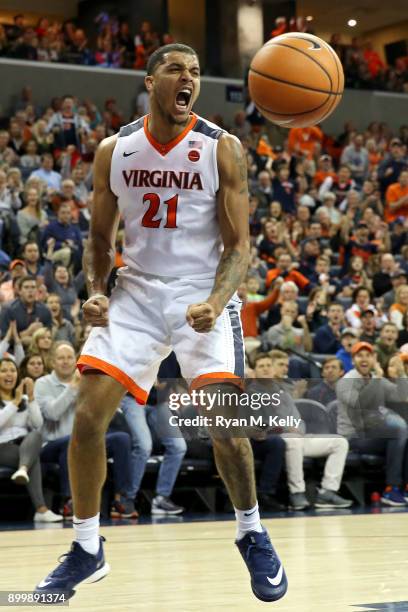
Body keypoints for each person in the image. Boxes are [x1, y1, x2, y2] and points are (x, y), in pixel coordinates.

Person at [36, 44, 288, 603]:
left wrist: (219, 298)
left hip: (203, 295)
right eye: (177, 69)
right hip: (137, 293)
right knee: (86, 416)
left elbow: (241, 246)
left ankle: (252, 530)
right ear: (150, 81)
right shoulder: (115, 150)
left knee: (226, 426)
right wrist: (96, 292)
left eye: (196, 71)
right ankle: (85, 548)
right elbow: (100, 240)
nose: (189, 79)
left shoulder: (222, 148)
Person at [268, 350, 352, 510]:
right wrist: (288, 427)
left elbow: (297, 415)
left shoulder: (288, 387)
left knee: (339, 442)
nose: (285, 369)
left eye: (286, 365)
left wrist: (299, 426)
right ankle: (297, 493)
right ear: (270, 367)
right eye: (280, 365)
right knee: (294, 441)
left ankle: (327, 492)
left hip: (299, 435)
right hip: (279, 437)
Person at [336, 342, 408, 506]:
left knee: (403, 433)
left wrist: (402, 372)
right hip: (352, 437)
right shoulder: (346, 381)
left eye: (368, 355)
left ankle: (405, 487)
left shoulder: (376, 379)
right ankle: (391, 489)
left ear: (374, 359)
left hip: (373, 433)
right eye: (359, 355)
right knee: (397, 431)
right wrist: (377, 380)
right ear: (353, 360)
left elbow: (402, 395)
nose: (364, 359)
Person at [0, 357, 62, 522]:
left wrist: (32, 398)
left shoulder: (25, 400)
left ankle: (22, 469)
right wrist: (15, 402)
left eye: (12, 370)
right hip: (1, 447)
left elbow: (38, 423)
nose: (9, 374)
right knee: (32, 459)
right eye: (4, 370)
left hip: (23, 446)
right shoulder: (17, 400)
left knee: (36, 435)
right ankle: (41, 510)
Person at [0, 276, 52, 347]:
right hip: (13, 351)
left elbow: (49, 336)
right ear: (20, 291)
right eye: (26, 287)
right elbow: (4, 338)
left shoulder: (45, 310)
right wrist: (28, 332)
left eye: (33, 287)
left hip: (38, 350)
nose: (30, 291)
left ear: (37, 290)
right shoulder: (8, 309)